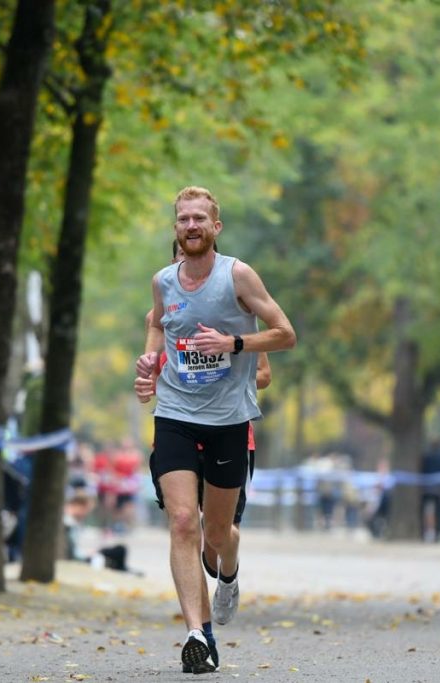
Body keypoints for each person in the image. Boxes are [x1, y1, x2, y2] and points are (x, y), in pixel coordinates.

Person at [134, 186, 295, 674]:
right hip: (176, 415)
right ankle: (197, 635)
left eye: (200, 218)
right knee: (183, 521)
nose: (191, 226)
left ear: (215, 227)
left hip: (229, 421)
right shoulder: (163, 281)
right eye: (183, 219)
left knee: (217, 532)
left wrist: (234, 342)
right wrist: (149, 364)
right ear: (176, 228)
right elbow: (158, 327)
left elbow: (286, 333)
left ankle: (228, 575)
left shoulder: (237, 275)